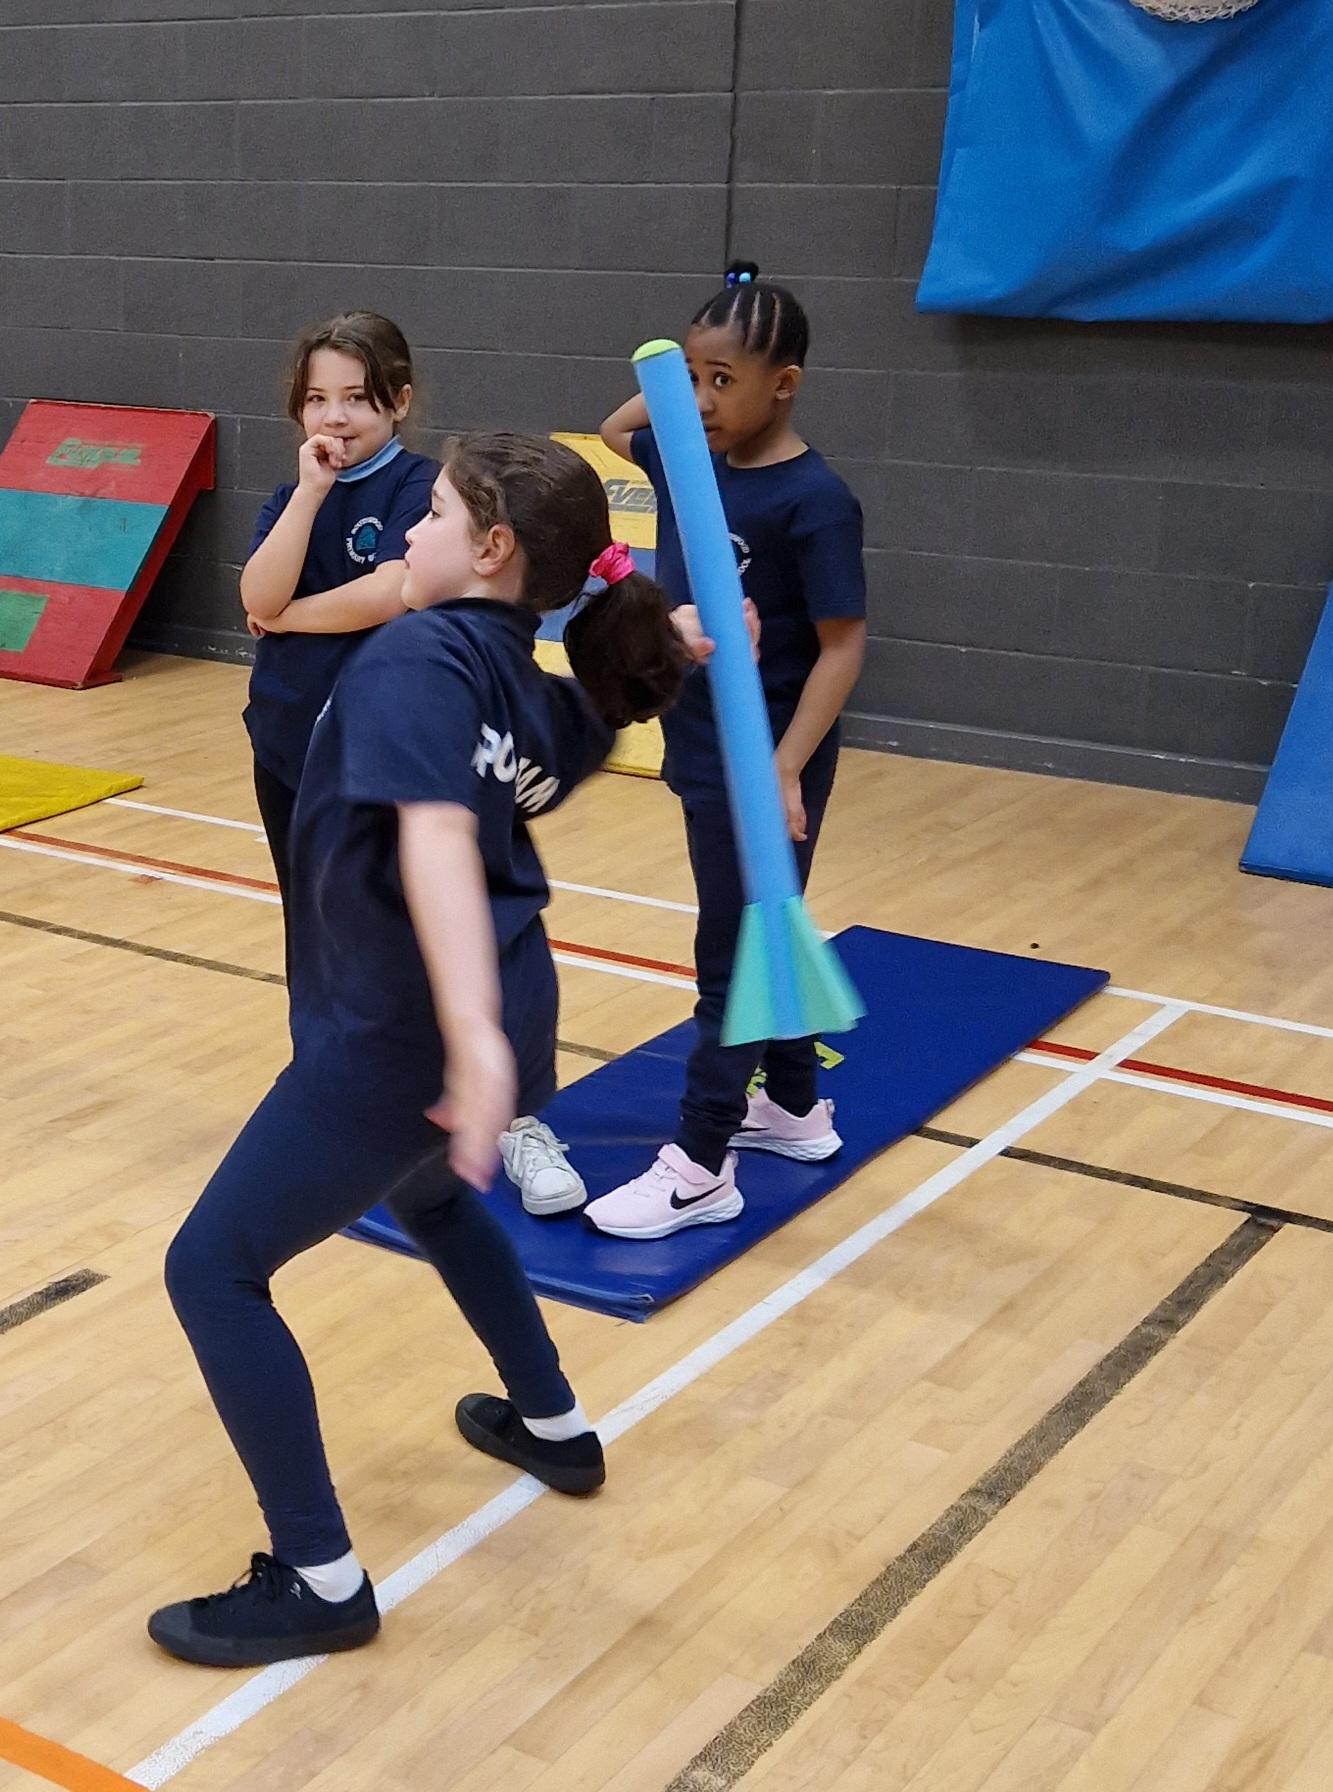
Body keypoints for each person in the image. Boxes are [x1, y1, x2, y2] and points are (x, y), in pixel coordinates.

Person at [148, 434, 689, 1667]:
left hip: (408, 1037)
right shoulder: (536, 692)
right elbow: (602, 719)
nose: (409, 529)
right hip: (508, 1006)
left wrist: (468, 1040)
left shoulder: (416, 656)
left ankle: (319, 1576)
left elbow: (437, 833)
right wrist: (683, 650)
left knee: (212, 1268)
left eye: (434, 513)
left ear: (491, 549)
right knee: (432, 1200)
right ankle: (551, 1421)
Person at [579, 262, 867, 1241]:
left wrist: (782, 767)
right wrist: (679, 377)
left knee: (732, 956)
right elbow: (615, 427)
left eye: (723, 381)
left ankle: (701, 1165)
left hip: (768, 757)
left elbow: (841, 647)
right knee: (756, 929)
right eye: (690, 379)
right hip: (699, 745)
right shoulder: (687, 466)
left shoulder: (813, 500)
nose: (699, 401)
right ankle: (792, 1107)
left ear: (783, 385)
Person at [240, 311, 436, 955]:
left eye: (356, 398)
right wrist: (311, 492)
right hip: (286, 743)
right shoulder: (290, 498)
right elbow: (257, 594)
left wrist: (285, 618)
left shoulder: (420, 485)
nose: (335, 418)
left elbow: (389, 593)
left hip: (372, 752)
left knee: (372, 931)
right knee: (306, 927)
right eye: (317, 399)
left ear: (399, 402)